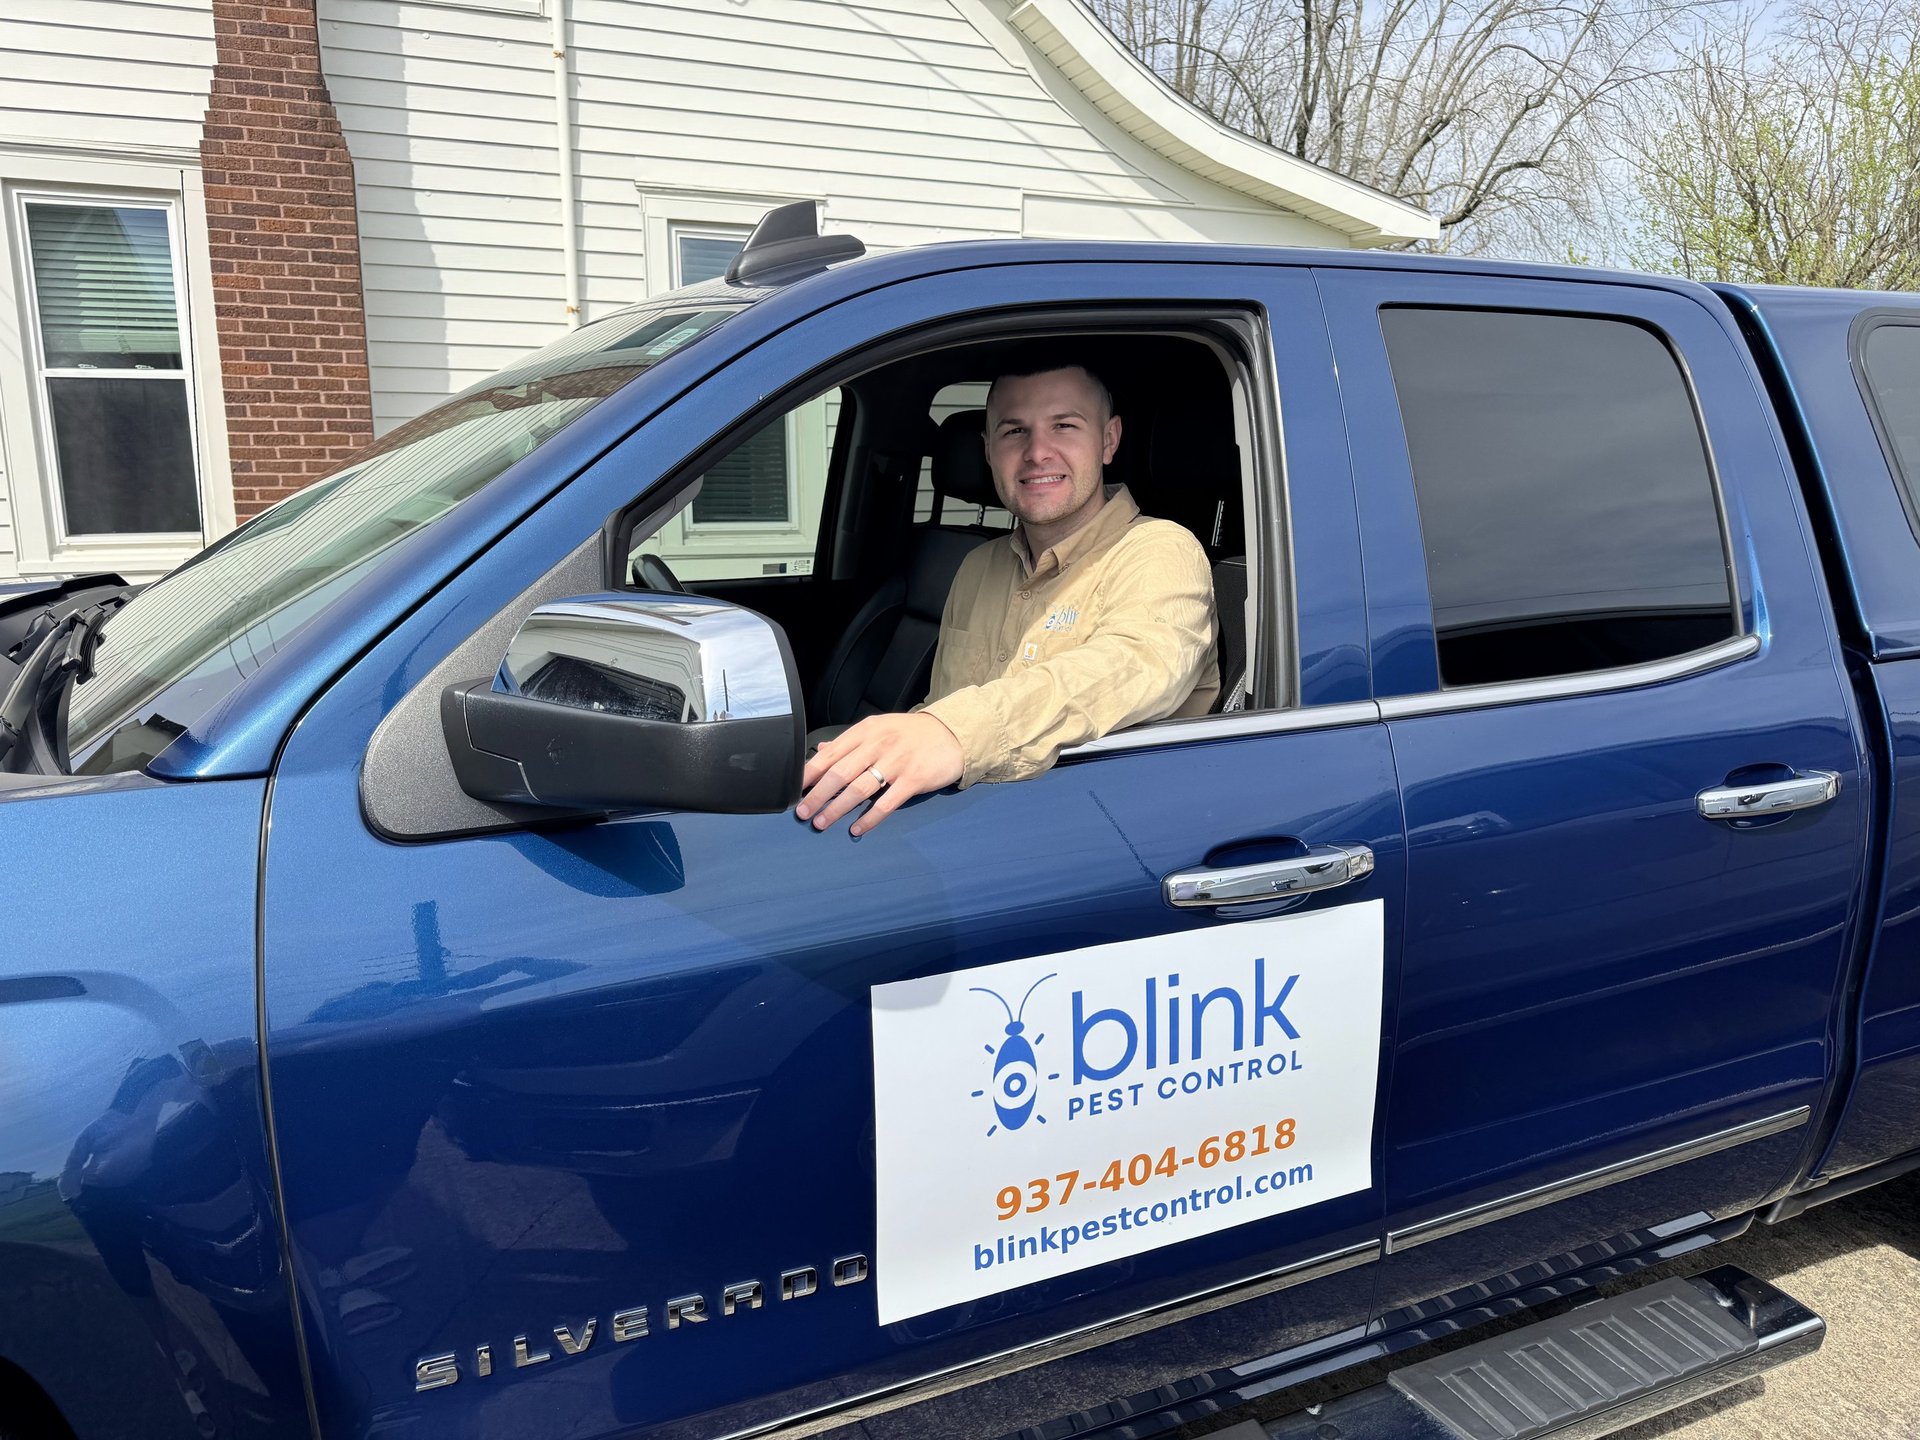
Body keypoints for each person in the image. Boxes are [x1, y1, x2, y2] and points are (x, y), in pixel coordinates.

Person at [796, 358, 1219, 836]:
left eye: (1064, 426)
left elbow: (1135, 665)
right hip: (970, 820)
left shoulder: (1159, 550)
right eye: (1014, 432)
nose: (1038, 452)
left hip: (1105, 837)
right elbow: (943, 702)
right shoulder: (978, 565)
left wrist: (957, 730)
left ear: (1108, 440)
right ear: (989, 450)